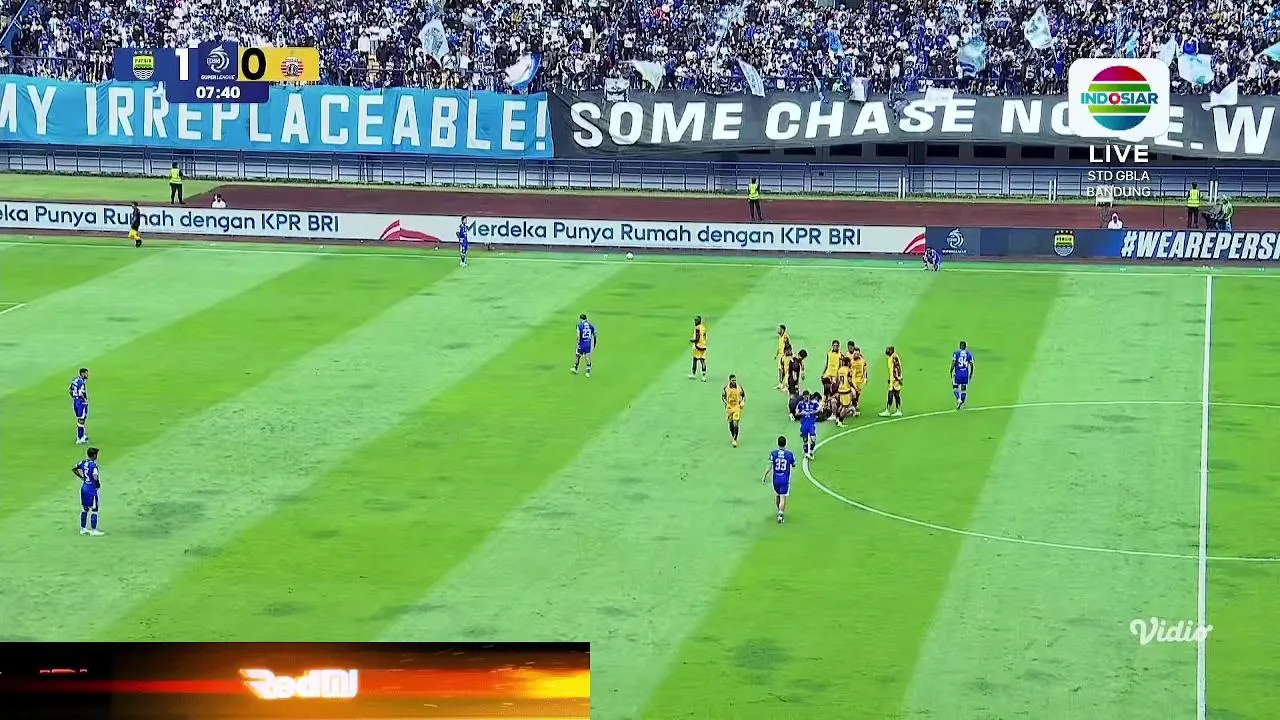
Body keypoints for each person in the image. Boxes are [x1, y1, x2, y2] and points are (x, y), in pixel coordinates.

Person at [73, 447, 104, 536]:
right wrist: (97, 484)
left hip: (84, 488)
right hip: (91, 490)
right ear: (94, 455)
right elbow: (95, 476)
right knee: (94, 510)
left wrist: (82, 477)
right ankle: (94, 530)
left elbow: (74, 469)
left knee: (84, 509)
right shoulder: (93, 465)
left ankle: (83, 529)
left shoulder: (83, 462)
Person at [765, 436, 795, 524]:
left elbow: (770, 465)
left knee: (778, 495)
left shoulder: (773, 453)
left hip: (775, 479)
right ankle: (780, 514)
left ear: (778, 444)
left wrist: (765, 475)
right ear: (785, 444)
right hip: (784, 479)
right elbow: (794, 464)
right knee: (783, 497)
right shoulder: (789, 454)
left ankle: (779, 510)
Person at [723, 374, 746, 447]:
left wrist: (742, 402)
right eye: (733, 380)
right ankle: (733, 436)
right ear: (730, 380)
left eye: (735, 380)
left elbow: (743, 396)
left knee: (735, 423)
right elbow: (723, 397)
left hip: (736, 407)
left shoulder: (739, 388)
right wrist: (726, 404)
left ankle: (735, 439)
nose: (734, 381)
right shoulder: (726, 388)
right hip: (730, 407)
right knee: (731, 424)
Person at [880, 345, 903, 417]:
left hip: (895, 380)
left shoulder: (894, 357)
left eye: (888, 350)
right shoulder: (890, 357)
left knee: (893, 394)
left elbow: (897, 368)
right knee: (894, 395)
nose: (887, 351)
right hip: (893, 379)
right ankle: (896, 410)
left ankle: (891, 410)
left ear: (891, 350)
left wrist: (897, 379)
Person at [68, 367, 90, 444]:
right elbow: (80, 393)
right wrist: (85, 400)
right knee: (81, 419)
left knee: (80, 419)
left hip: (76, 401)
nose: (87, 375)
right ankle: (80, 438)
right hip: (81, 403)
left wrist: (74, 397)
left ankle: (82, 435)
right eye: (86, 373)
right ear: (82, 374)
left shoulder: (75, 380)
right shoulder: (81, 382)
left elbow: (70, 390)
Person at [951, 341, 974, 410]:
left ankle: (959, 399)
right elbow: (972, 365)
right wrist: (971, 374)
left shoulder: (956, 353)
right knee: (963, 390)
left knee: (955, 387)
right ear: (965, 347)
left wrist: (951, 370)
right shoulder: (969, 354)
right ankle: (961, 403)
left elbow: (953, 363)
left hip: (958, 373)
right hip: (965, 374)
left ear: (960, 346)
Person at [834, 355, 855, 426]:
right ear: (848, 363)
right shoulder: (849, 370)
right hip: (846, 390)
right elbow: (849, 381)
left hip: (840, 389)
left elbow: (838, 380)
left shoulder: (839, 369)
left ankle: (837, 419)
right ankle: (840, 421)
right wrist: (854, 388)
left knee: (841, 405)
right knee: (845, 407)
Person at [850, 346, 868, 417]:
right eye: (855, 354)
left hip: (860, 380)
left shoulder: (863, 361)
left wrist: (865, 378)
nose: (856, 355)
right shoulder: (851, 361)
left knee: (858, 394)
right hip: (853, 380)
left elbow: (865, 369)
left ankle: (855, 404)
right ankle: (853, 406)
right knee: (853, 393)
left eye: (857, 354)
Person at [689, 316, 708, 382]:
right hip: (704, 346)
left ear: (699, 321)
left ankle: (693, 374)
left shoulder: (697, 328)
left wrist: (692, 340)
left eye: (696, 320)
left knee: (695, 359)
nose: (695, 322)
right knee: (703, 361)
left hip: (698, 346)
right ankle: (704, 376)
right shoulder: (703, 327)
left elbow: (697, 338)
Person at [774, 325, 790, 390]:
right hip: (780, 356)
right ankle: (780, 384)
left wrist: (787, 356)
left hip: (785, 356)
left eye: (779, 329)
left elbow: (788, 346)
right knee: (780, 370)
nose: (778, 330)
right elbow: (780, 346)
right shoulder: (780, 337)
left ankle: (786, 386)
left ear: (782, 330)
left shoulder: (785, 337)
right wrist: (776, 354)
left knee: (785, 371)